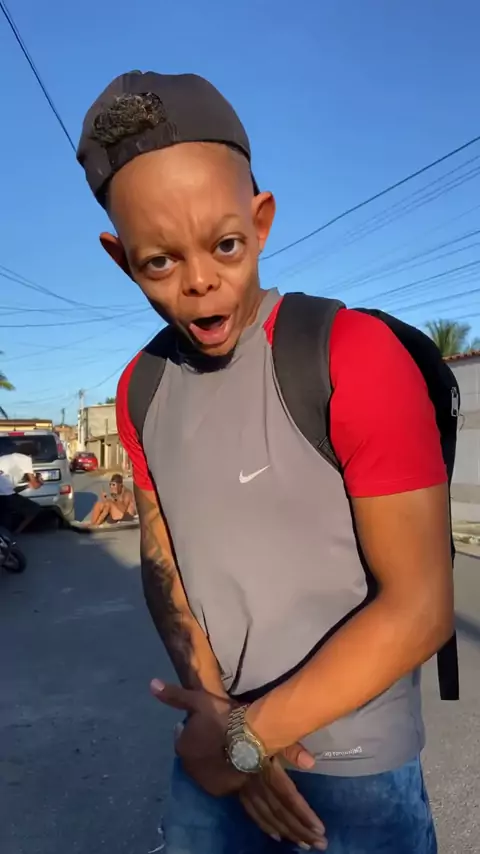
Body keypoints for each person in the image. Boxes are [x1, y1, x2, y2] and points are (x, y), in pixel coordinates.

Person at [77, 72, 453, 853]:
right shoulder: (141, 386)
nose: (200, 281)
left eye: (225, 245)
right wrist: (225, 729)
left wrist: (246, 741)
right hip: (218, 759)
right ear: (120, 258)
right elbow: (165, 568)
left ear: (261, 218)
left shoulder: (352, 355)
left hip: (353, 778)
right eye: (159, 262)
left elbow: (420, 606)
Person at [0, 437, 43, 533]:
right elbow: (35, 485)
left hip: (4, 494)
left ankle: (7, 533)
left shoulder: (6, 458)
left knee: (5, 515)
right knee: (34, 508)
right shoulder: (25, 459)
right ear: (31, 454)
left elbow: (10, 488)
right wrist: (40, 481)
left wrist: (26, 486)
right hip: (6, 496)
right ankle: (17, 532)